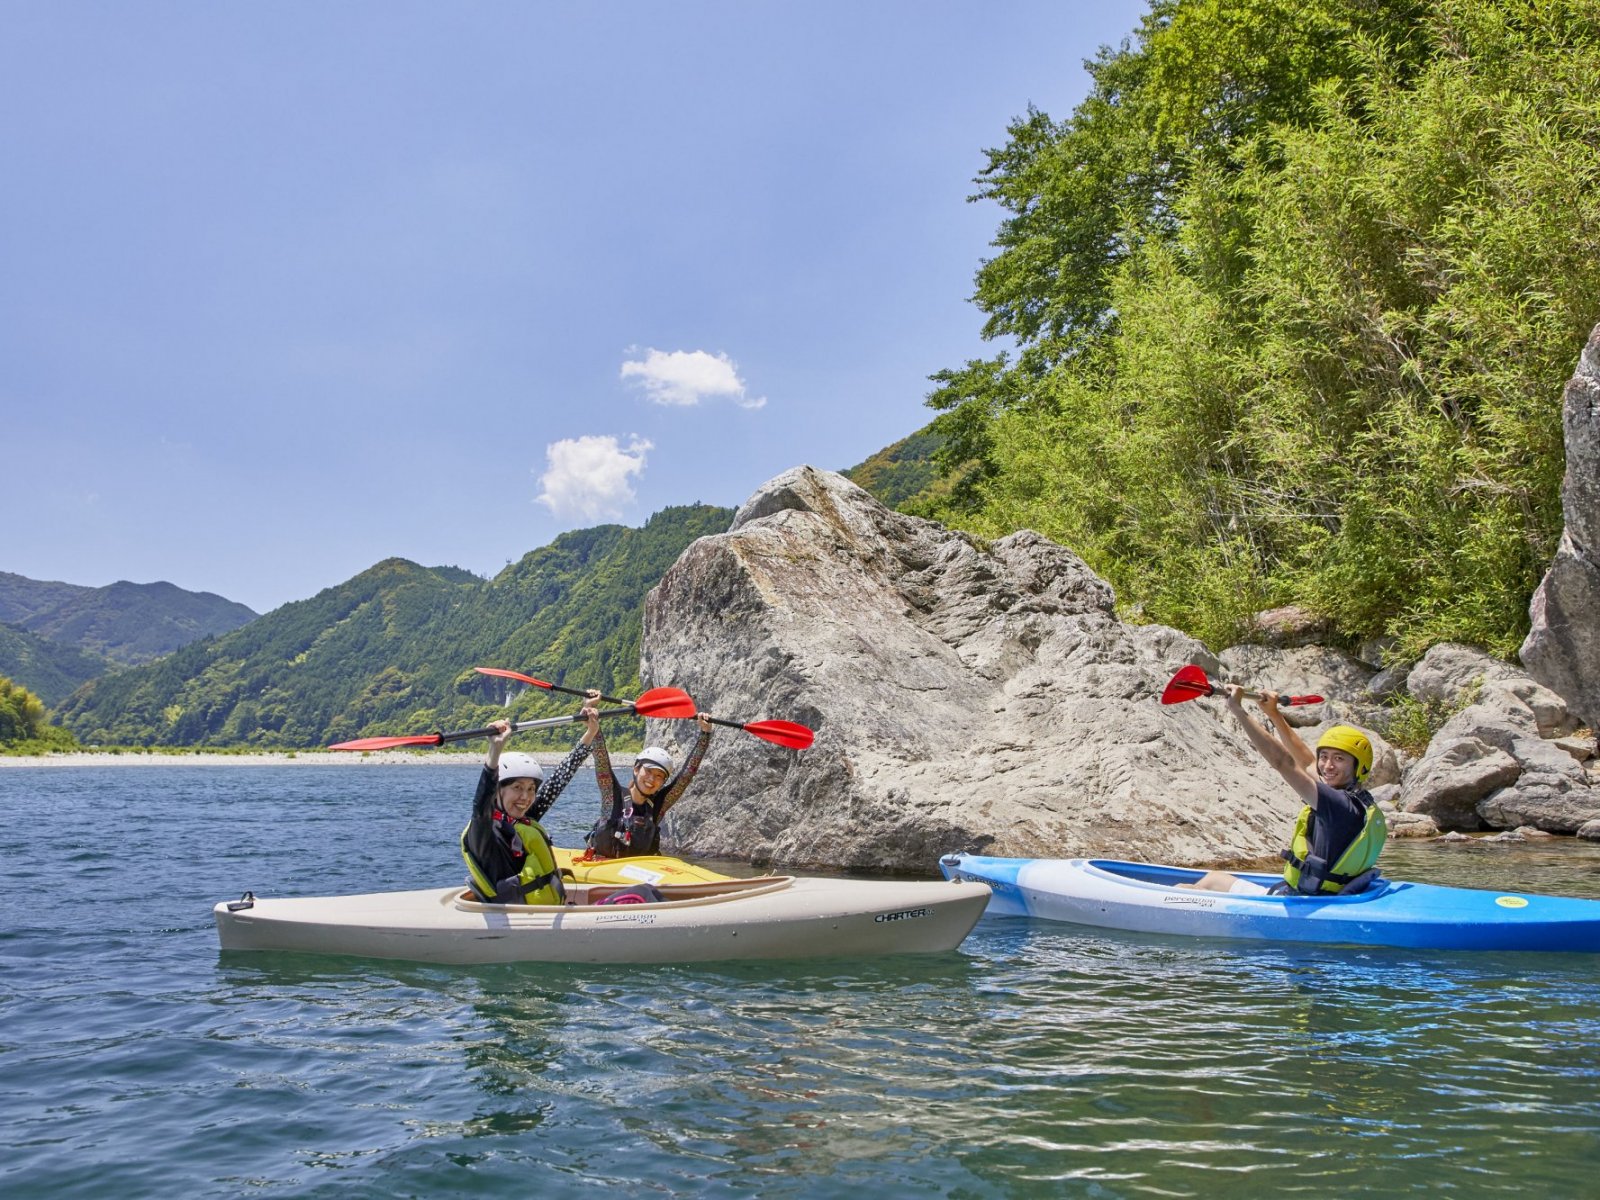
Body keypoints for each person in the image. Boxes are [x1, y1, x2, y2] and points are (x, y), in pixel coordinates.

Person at [1186, 684, 1387, 896]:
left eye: (1338, 759)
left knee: (1186, 890)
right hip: (1312, 895)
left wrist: (1238, 711)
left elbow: (1283, 762)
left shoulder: (1338, 806)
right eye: (1325, 756)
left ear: (1359, 767)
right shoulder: (1355, 800)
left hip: (1304, 902)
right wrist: (1274, 713)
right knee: (1212, 879)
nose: (1327, 766)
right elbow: (1307, 761)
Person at [460, 694, 601, 904]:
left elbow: (559, 779)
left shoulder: (520, 820)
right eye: (517, 788)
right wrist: (495, 750)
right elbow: (480, 806)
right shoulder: (485, 832)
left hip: (545, 911)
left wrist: (591, 732)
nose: (525, 797)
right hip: (521, 919)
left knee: (645, 892)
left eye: (531, 789)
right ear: (499, 791)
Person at [586, 712, 714, 858]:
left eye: (659, 776)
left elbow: (687, 775)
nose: (652, 779)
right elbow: (601, 760)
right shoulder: (612, 795)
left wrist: (705, 733)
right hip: (603, 866)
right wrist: (594, 726)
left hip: (641, 872)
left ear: (663, 782)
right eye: (648, 771)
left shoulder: (658, 806)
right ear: (636, 769)